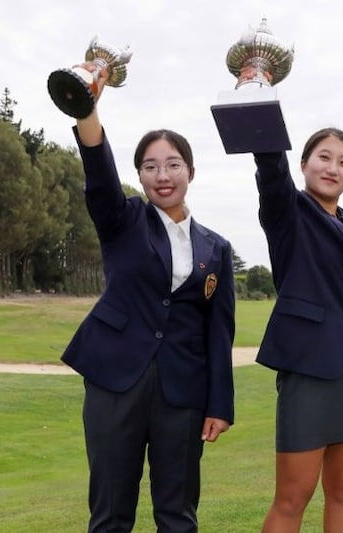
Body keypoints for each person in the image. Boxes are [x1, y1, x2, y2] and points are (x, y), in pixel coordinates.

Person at [60, 62, 235, 532]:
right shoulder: (123, 220)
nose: (163, 175)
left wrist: (220, 404)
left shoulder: (215, 248)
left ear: (191, 172)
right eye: (150, 166)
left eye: (173, 164)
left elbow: (219, 331)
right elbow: (98, 173)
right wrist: (86, 107)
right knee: (111, 512)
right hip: (116, 381)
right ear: (139, 174)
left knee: (177, 513)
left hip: (183, 390)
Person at [252, 128, 343, 533]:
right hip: (309, 368)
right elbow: (270, 166)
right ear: (303, 164)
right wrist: (259, 92)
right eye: (324, 158)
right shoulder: (288, 211)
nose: (333, 168)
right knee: (293, 497)